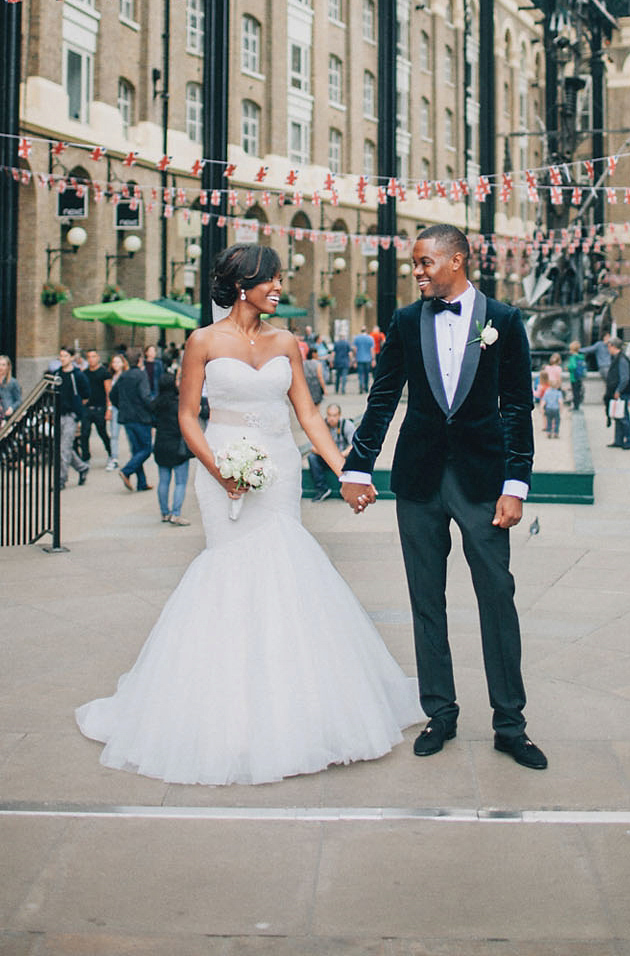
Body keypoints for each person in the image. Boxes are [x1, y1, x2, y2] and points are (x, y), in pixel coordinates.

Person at [77, 243, 421, 785]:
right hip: (223, 467)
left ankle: (296, 703)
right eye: (272, 279)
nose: (280, 287)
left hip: (279, 470)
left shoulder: (288, 342)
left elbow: (307, 414)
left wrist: (347, 471)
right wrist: (220, 472)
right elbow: (189, 417)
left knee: (287, 568)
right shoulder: (202, 342)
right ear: (243, 285)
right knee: (232, 569)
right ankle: (226, 708)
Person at [343, 223, 546, 771]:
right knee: (426, 600)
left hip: (484, 485)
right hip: (419, 481)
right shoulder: (407, 321)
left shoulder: (503, 321)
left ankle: (511, 724)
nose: (417, 272)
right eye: (415, 263)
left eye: (425, 263)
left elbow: (516, 406)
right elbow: (383, 397)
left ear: (456, 260)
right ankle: (440, 712)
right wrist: (358, 466)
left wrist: (516, 485)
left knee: (496, 599)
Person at [109, 349, 154, 491]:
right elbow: (145, 396)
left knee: (136, 450)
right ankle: (127, 471)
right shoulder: (141, 375)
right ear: (140, 360)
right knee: (146, 449)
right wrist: (153, 409)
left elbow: (112, 394)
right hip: (141, 417)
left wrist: (121, 406)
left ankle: (142, 482)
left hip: (127, 418)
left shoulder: (123, 376)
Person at [152, 370, 191, 525]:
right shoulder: (179, 404)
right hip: (177, 446)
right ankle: (176, 513)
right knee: (180, 482)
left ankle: (164, 512)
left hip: (161, 444)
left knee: (163, 481)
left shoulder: (155, 404)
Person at [56, 347, 90, 489]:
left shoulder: (77, 375)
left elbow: (86, 394)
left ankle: (61, 479)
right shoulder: (57, 374)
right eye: (61, 356)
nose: (62, 358)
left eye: (65, 356)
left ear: (71, 358)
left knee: (65, 448)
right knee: (63, 448)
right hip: (59, 414)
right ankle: (82, 467)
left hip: (71, 415)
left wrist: (77, 410)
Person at [307, 402, 356, 500]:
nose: (331, 418)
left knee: (354, 457)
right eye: (329, 415)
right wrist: (329, 455)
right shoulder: (321, 425)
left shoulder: (347, 425)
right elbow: (312, 447)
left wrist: (341, 454)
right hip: (327, 457)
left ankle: (347, 489)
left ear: (339, 415)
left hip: (343, 458)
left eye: (334, 415)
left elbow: (354, 445)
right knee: (312, 457)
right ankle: (322, 489)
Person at [77, 349, 112, 464]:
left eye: (93, 356)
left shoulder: (104, 372)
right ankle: (86, 457)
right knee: (84, 433)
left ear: (98, 358)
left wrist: (109, 409)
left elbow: (108, 391)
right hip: (87, 408)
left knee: (102, 432)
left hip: (100, 408)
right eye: (89, 357)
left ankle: (111, 453)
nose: (91, 359)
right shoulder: (85, 373)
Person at [604, 338, 630, 450]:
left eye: (609, 346)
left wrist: (618, 390)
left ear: (613, 346)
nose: (608, 349)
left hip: (621, 392)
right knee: (618, 415)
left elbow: (625, 377)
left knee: (624, 417)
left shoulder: (621, 359)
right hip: (617, 391)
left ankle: (628, 440)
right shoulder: (617, 358)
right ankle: (618, 440)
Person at [104, 352, 126, 471]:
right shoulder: (110, 377)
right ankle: (114, 458)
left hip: (125, 407)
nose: (116, 364)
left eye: (118, 362)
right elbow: (109, 393)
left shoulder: (126, 375)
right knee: (114, 434)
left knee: (129, 433)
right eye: (114, 362)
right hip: (115, 407)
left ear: (123, 363)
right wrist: (109, 408)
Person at [0, 355, 21, 435]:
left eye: (3, 365)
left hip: (7, 417)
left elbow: (19, 400)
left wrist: (12, 408)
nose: (0, 367)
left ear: (8, 367)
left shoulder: (13, 382)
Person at [353, 327, 375, 392]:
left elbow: (355, 349)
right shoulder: (370, 338)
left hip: (359, 359)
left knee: (360, 374)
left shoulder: (357, 338)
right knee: (367, 374)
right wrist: (373, 359)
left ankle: (360, 386)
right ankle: (366, 387)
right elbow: (372, 350)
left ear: (361, 331)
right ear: (366, 331)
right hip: (368, 359)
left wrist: (355, 359)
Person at [566, 340, 585, 409]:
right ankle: (578, 404)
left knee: (575, 392)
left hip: (574, 377)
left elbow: (573, 366)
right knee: (578, 391)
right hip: (579, 377)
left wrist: (568, 367)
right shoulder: (580, 357)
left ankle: (575, 406)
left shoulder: (573, 357)